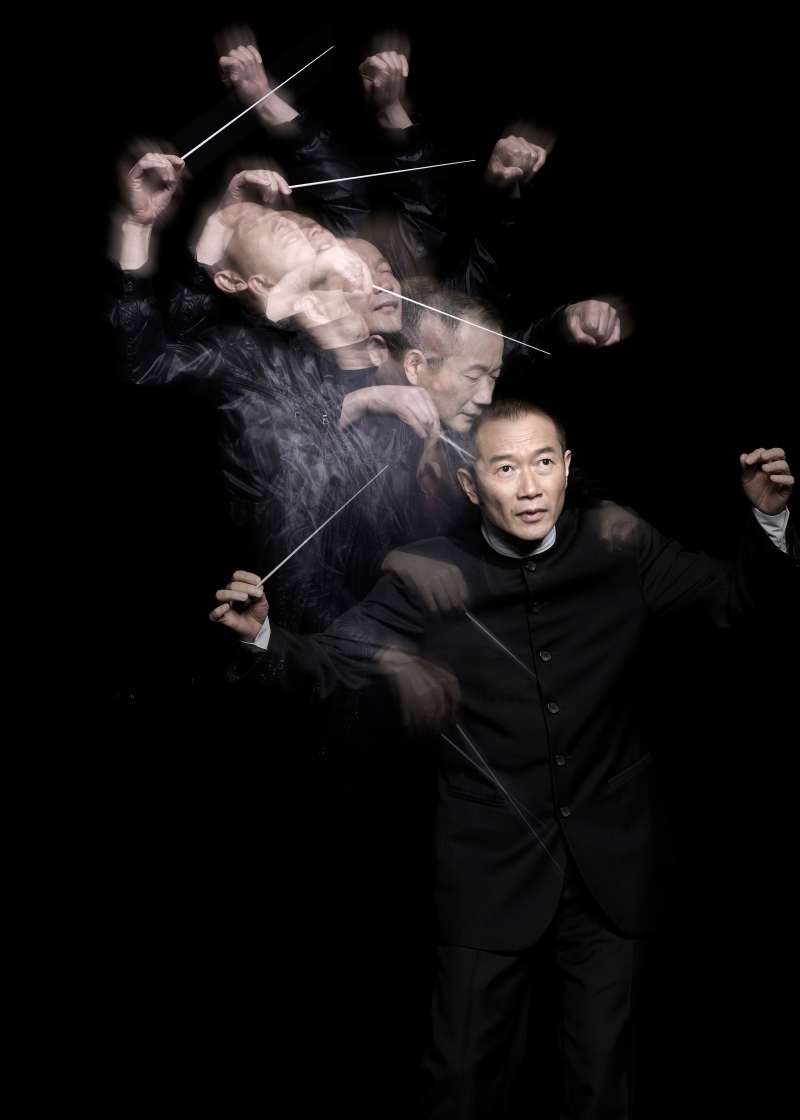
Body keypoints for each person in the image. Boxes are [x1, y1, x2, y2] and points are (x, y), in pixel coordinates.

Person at [208, 400, 796, 1118]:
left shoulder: (621, 547)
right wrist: (261, 637)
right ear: (469, 483)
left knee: (602, 1088)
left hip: (611, 866)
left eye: (544, 463)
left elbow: (734, 599)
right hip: (489, 868)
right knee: (462, 1083)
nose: (530, 487)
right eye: (506, 468)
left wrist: (768, 520)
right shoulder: (427, 573)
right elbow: (334, 661)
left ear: (567, 468)